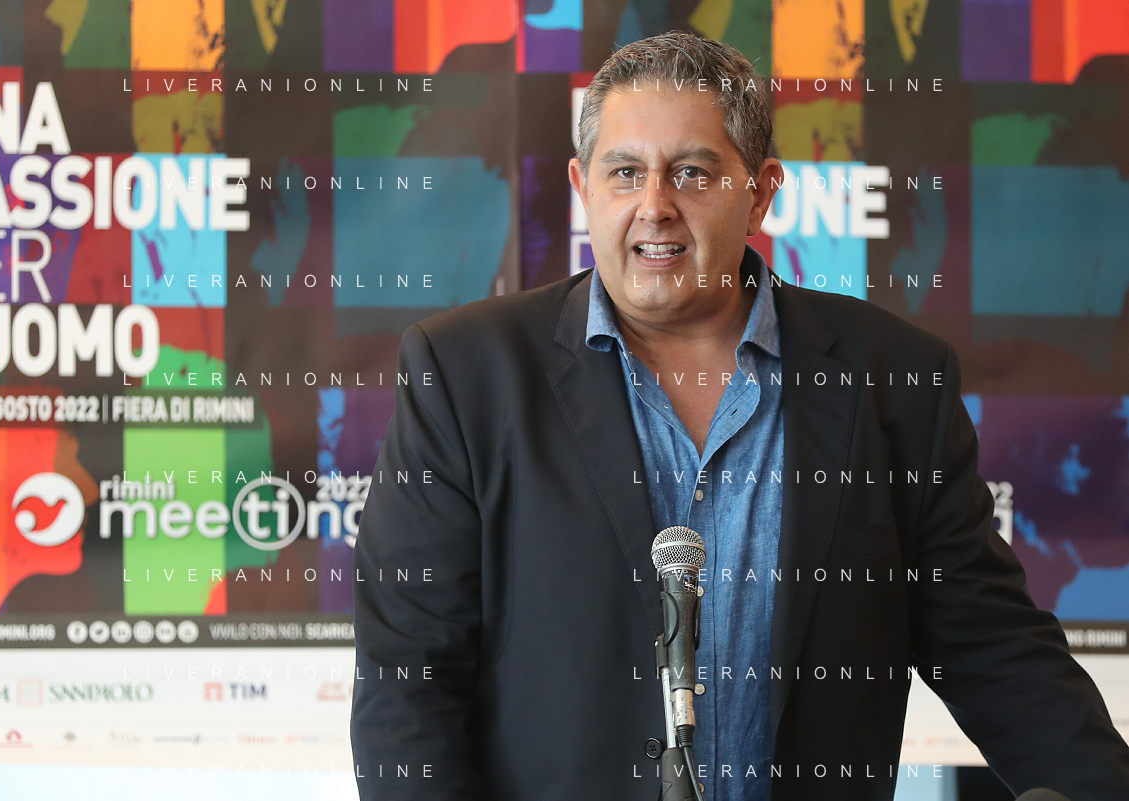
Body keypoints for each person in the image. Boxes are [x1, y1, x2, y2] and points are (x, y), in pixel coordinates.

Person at [350, 31, 1129, 801]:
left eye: (691, 172)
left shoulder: (892, 380)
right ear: (583, 187)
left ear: (759, 192)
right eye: (624, 172)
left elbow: (990, 645)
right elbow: (409, 682)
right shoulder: (466, 375)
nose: (654, 207)